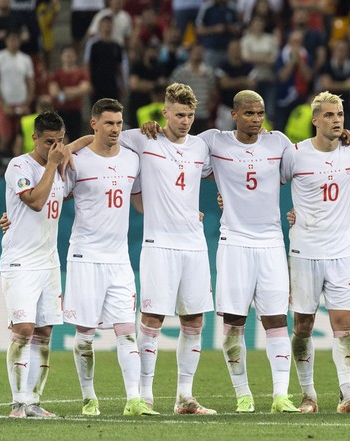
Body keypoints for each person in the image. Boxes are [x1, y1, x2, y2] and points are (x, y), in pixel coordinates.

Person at [145, 90, 301, 413]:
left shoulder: (279, 143)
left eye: (260, 113)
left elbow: (304, 173)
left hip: (271, 242)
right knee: (233, 325)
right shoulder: (213, 142)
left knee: (276, 320)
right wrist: (154, 129)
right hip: (234, 243)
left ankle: (280, 395)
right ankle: (243, 395)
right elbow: (180, 159)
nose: (256, 120)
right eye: (249, 114)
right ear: (234, 114)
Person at [119, 83, 216, 415]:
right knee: (153, 317)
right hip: (158, 244)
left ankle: (184, 397)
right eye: (179, 115)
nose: (185, 121)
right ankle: (145, 395)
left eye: (190, 115)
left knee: (194, 320)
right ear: (164, 113)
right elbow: (102, 140)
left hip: (194, 245)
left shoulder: (201, 147)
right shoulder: (142, 139)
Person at [62, 99, 158, 416]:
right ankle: (89, 397)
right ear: (94, 125)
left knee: (126, 331)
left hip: (119, 259)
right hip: (85, 256)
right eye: (108, 123)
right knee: (85, 335)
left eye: (118, 123)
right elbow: (54, 196)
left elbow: (144, 203)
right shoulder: (77, 160)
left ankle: (134, 399)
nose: (115, 129)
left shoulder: (132, 160)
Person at [284, 91, 350, 413]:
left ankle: (347, 397)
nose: (337, 120)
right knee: (303, 326)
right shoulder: (295, 155)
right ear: (315, 119)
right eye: (331, 115)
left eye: (340, 115)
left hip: (341, 253)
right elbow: (268, 184)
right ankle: (308, 396)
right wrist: (293, 213)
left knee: (343, 327)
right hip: (304, 251)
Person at [0, 111, 71, 418]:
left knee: (44, 331)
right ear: (34, 138)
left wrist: (66, 153)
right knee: (24, 328)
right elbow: (36, 201)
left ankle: (34, 402)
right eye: (48, 142)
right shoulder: (19, 165)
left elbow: (79, 147)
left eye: (60, 141)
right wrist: (54, 164)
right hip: (20, 262)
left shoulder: (62, 166)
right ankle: (18, 403)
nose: (54, 148)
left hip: (49, 263)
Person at [0, 29, 33, 157]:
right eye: (11, 39)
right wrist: (3, 103)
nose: (13, 42)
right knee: (5, 138)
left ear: (19, 41)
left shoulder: (26, 59)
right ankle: (1, 169)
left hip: (22, 103)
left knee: (23, 138)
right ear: (6, 41)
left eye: (16, 39)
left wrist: (27, 103)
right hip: (4, 104)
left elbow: (30, 84)